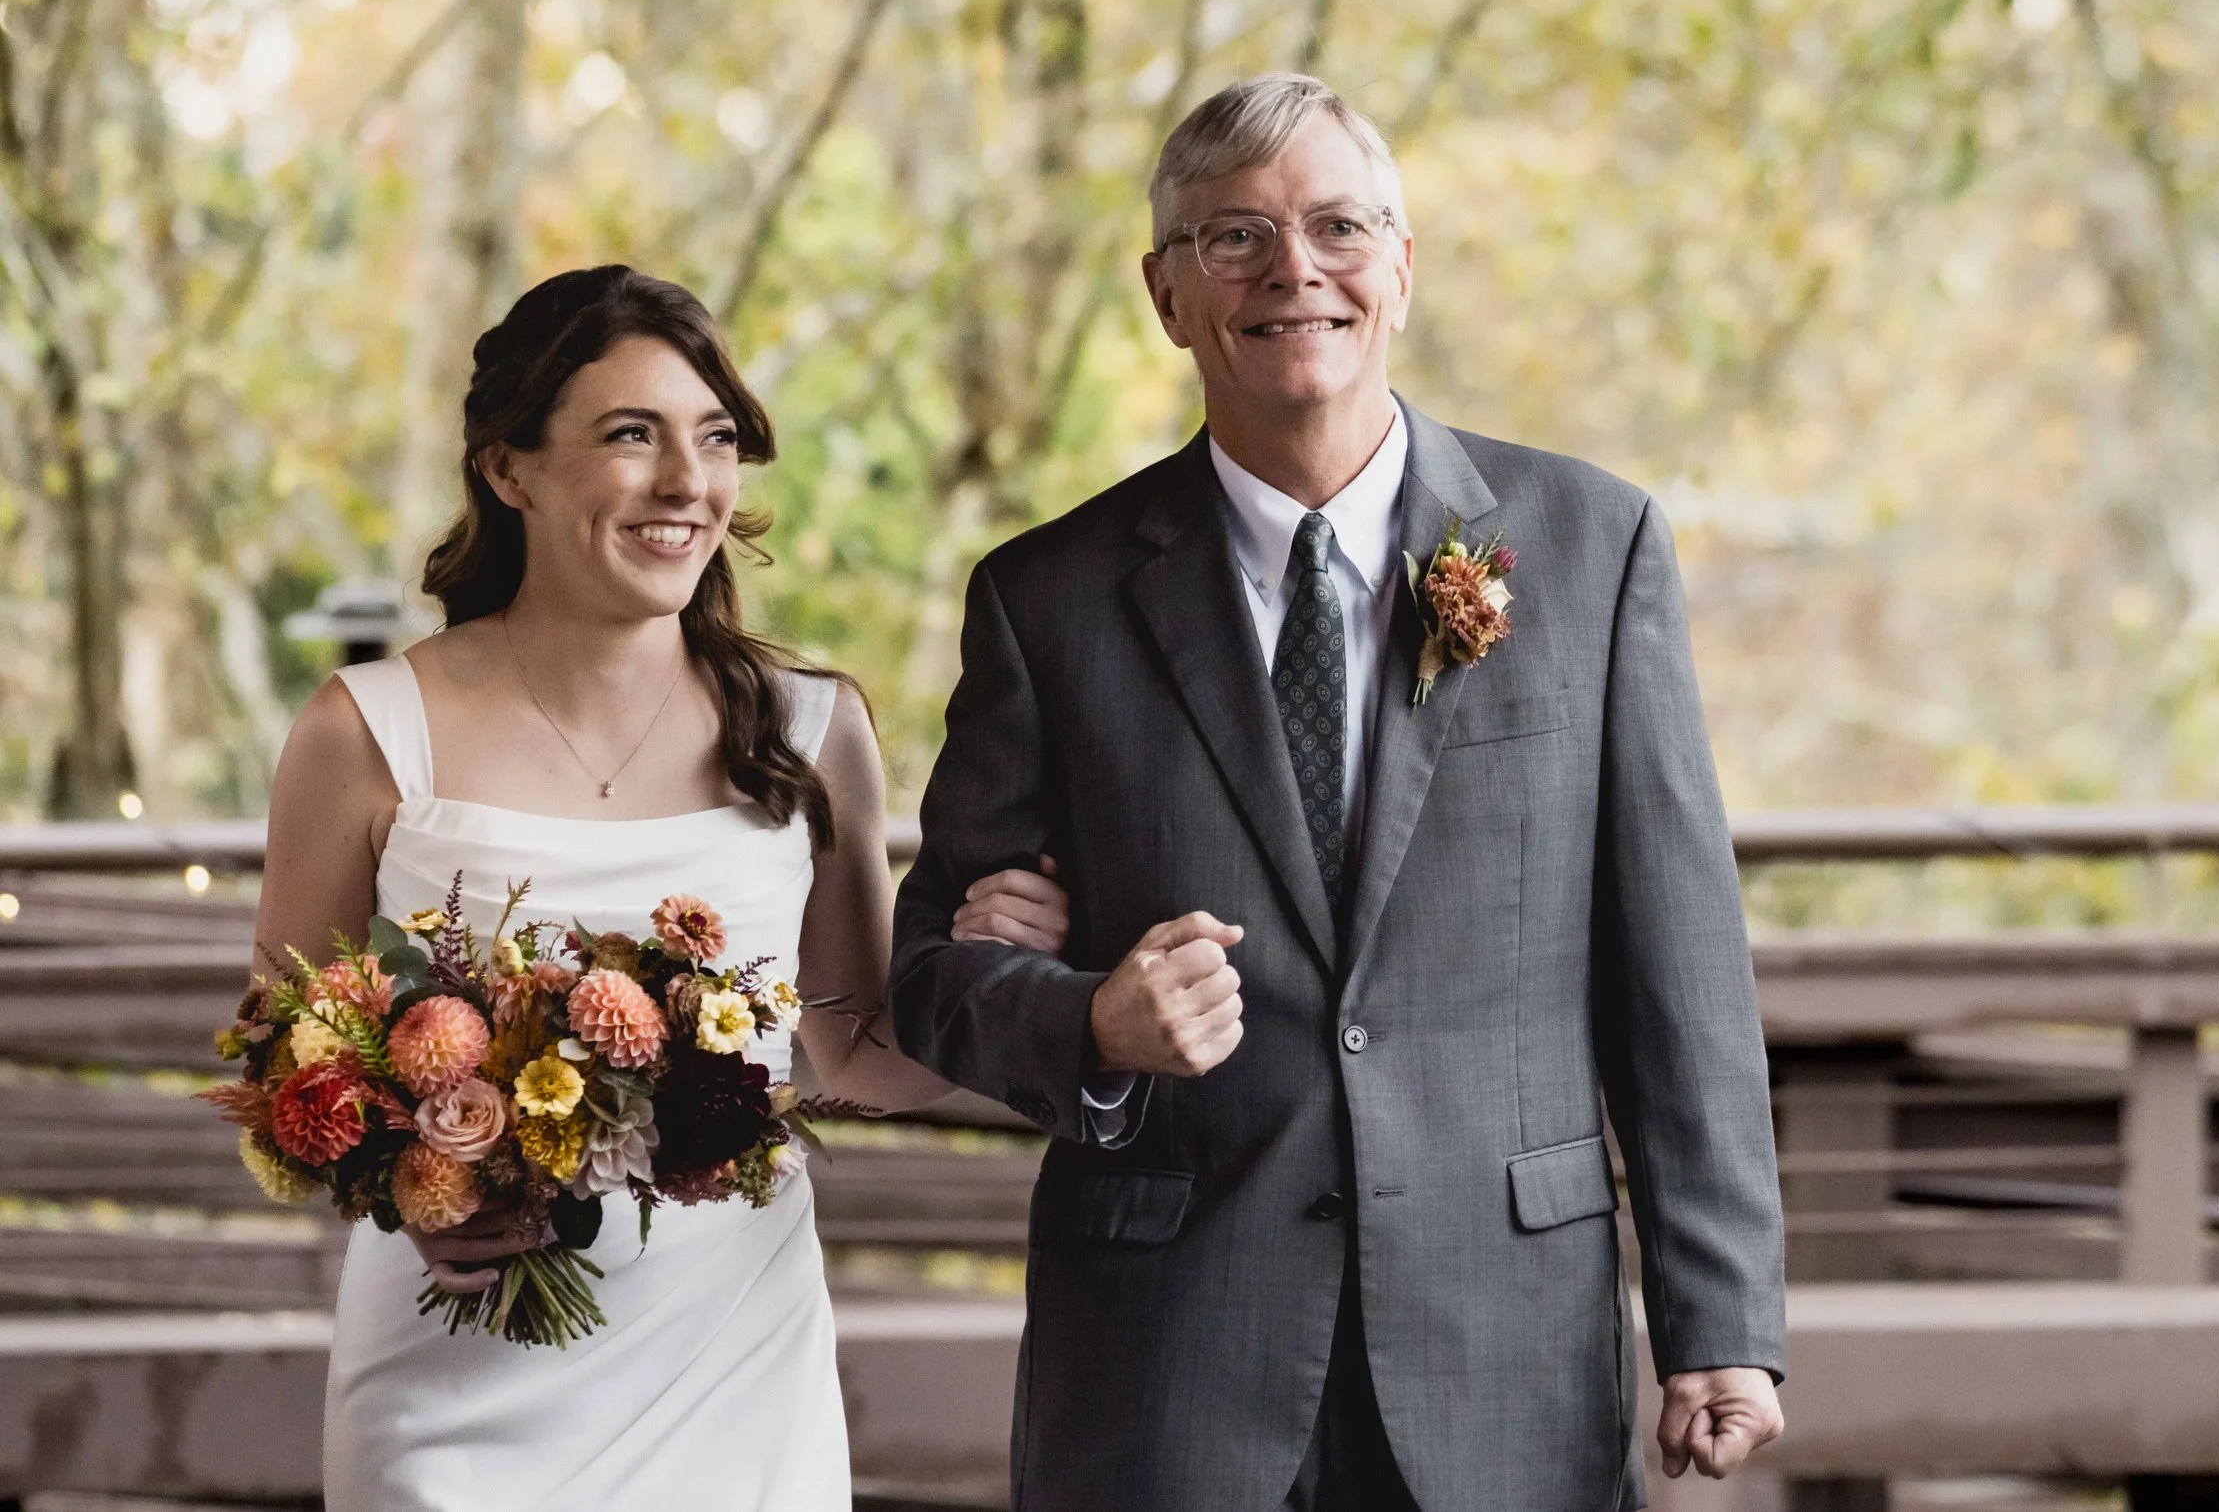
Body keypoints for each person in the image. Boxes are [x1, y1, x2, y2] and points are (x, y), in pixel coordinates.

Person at [891, 73, 1789, 1511]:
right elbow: (931, 975)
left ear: (1404, 267)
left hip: (1506, 1348)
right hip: (1170, 1361)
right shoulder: (1047, 598)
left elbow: (1679, 963)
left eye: (1337, 225)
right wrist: (1093, 1020)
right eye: (1233, 235)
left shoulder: (1591, 545)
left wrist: (1720, 1311)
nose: (1292, 269)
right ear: (1166, 292)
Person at [253, 265, 1060, 1510]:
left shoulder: (811, 728)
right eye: (632, 435)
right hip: (455, 1375)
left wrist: (992, 977)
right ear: (507, 466)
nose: (687, 482)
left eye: (715, 438)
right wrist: (416, 1191)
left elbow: (850, 1049)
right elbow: (286, 1066)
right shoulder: (368, 728)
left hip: (729, 1366)